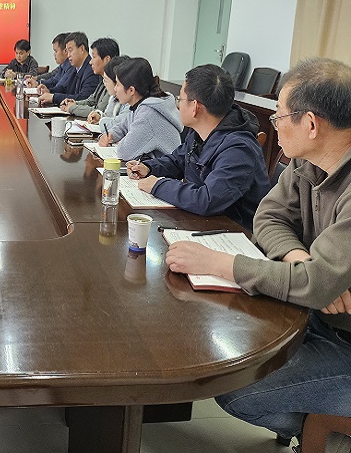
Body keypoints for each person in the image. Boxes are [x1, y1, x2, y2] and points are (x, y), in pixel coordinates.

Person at [165, 57, 351, 444]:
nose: (273, 123)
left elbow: (315, 286)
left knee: (237, 389)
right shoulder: (307, 163)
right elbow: (268, 216)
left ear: (311, 124)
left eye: (280, 115)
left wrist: (221, 264)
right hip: (315, 314)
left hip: (344, 341)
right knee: (226, 352)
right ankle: (321, 416)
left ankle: (325, 432)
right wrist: (301, 260)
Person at [125, 64, 271, 231]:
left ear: (195, 107)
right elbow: (178, 160)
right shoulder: (200, 131)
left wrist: (158, 185)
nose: (178, 106)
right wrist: (149, 167)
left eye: (180, 99)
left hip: (234, 232)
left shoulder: (239, 149)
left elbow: (207, 199)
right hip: (204, 222)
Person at [98, 57, 182, 160]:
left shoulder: (149, 115)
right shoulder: (141, 105)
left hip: (161, 169)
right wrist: (110, 135)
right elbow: (123, 127)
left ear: (131, 90)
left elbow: (124, 152)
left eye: (118, 85)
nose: (115, 89)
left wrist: (121, 141)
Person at [62, 38, 120, 117]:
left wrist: (72, 108)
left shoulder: (114, 82)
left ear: (107, 59)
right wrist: (73, 103)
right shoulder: (102, 79)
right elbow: (91, 101)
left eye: (94, 57)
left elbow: (99, 111)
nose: (90, 62)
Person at [38, 32, 98, 106]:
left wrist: (54, 97)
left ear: (82, 49)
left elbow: (83, 98)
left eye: (70, 50)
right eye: (67, 51)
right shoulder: (75, 67)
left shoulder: (92, 70)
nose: (68, 55)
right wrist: (49, 91)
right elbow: (64, 88)